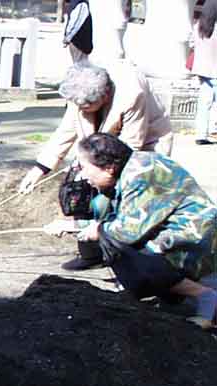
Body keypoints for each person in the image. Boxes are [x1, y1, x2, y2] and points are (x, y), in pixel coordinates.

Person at [45, 133, 217, 329]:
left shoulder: (139, 175)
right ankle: (167, 291)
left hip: (195, 240)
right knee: (105, 221)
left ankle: (204, 296)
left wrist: (89, 229)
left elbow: (127, 231)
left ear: (109, 168)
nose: (83, 175)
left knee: (117, 244)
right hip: (180, 231)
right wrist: (71, 226)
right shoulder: (131, 167)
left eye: (85, 168)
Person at [18, 62, 174, 271]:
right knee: (79, 190)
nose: (80, 109)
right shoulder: (80, 86)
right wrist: (41, 168)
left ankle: (125, 256)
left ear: (105, 96)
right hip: (99, 146)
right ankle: (90, 253)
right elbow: (66, 130)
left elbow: (129, 145)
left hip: (144, 144)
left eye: (85, 107)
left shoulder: (131, 94)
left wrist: (95, 169)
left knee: (117, 199)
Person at [192, 0, 217, 145]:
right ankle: (214, 129)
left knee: (204, 102)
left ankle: (201, 134)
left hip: (202, 70)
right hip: (215, 70)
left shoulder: (198, 27)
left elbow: (192, 44)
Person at [63, 0, 92, 64]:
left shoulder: (80, 3)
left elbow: (76, 22)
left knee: (79, 65)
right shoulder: (74, 3)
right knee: (78, 65)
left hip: (79, 43)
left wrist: (68, 37)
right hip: (75, 41)